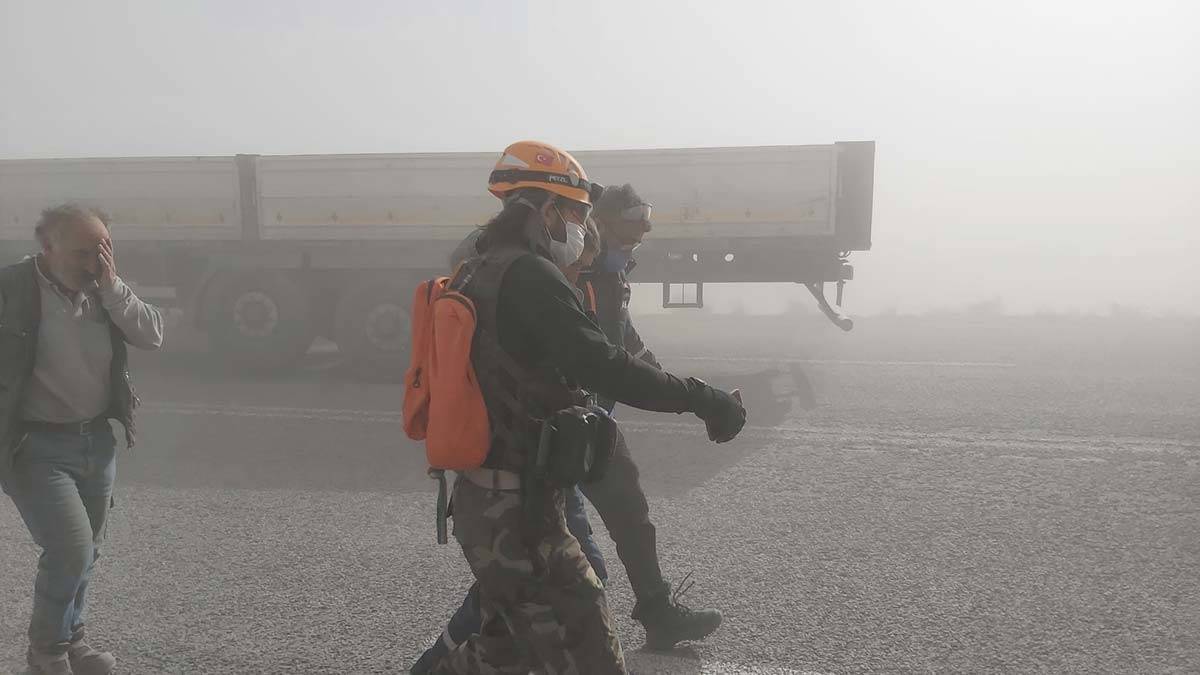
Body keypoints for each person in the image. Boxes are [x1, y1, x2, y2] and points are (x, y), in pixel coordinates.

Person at [429, 141, 746, 674]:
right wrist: (701, 398)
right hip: (516, 510)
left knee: (516, 648)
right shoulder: (529, 276)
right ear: (546, 210)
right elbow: (603, 364)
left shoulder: (482, 267)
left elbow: (614, 352)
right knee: (580, 653)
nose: (581, 227)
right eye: (576, 213)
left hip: (509, 499)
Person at [0, 204, 164, 675]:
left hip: (95, 441)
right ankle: (46, 652)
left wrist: (112, 288)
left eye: (103, 249)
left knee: (87, 551)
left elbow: (152, 335)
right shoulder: (11, 288)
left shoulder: (106, 289)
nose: (95, 262)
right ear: (48, 247)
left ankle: (73, 642)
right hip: (34, 446)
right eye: (82, 253)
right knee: (70, 549)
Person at [575, 183, 725, 649]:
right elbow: (600, 355)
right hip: (555, 422)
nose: (645, 228)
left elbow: (628, 343)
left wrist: (674, 389)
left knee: (630, 511)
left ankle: (658, 614)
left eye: (647, 216)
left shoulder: (613, 275)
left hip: (591, 421)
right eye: (634, 218)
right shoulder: (572, 273)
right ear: (601, 222)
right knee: (567, 556)